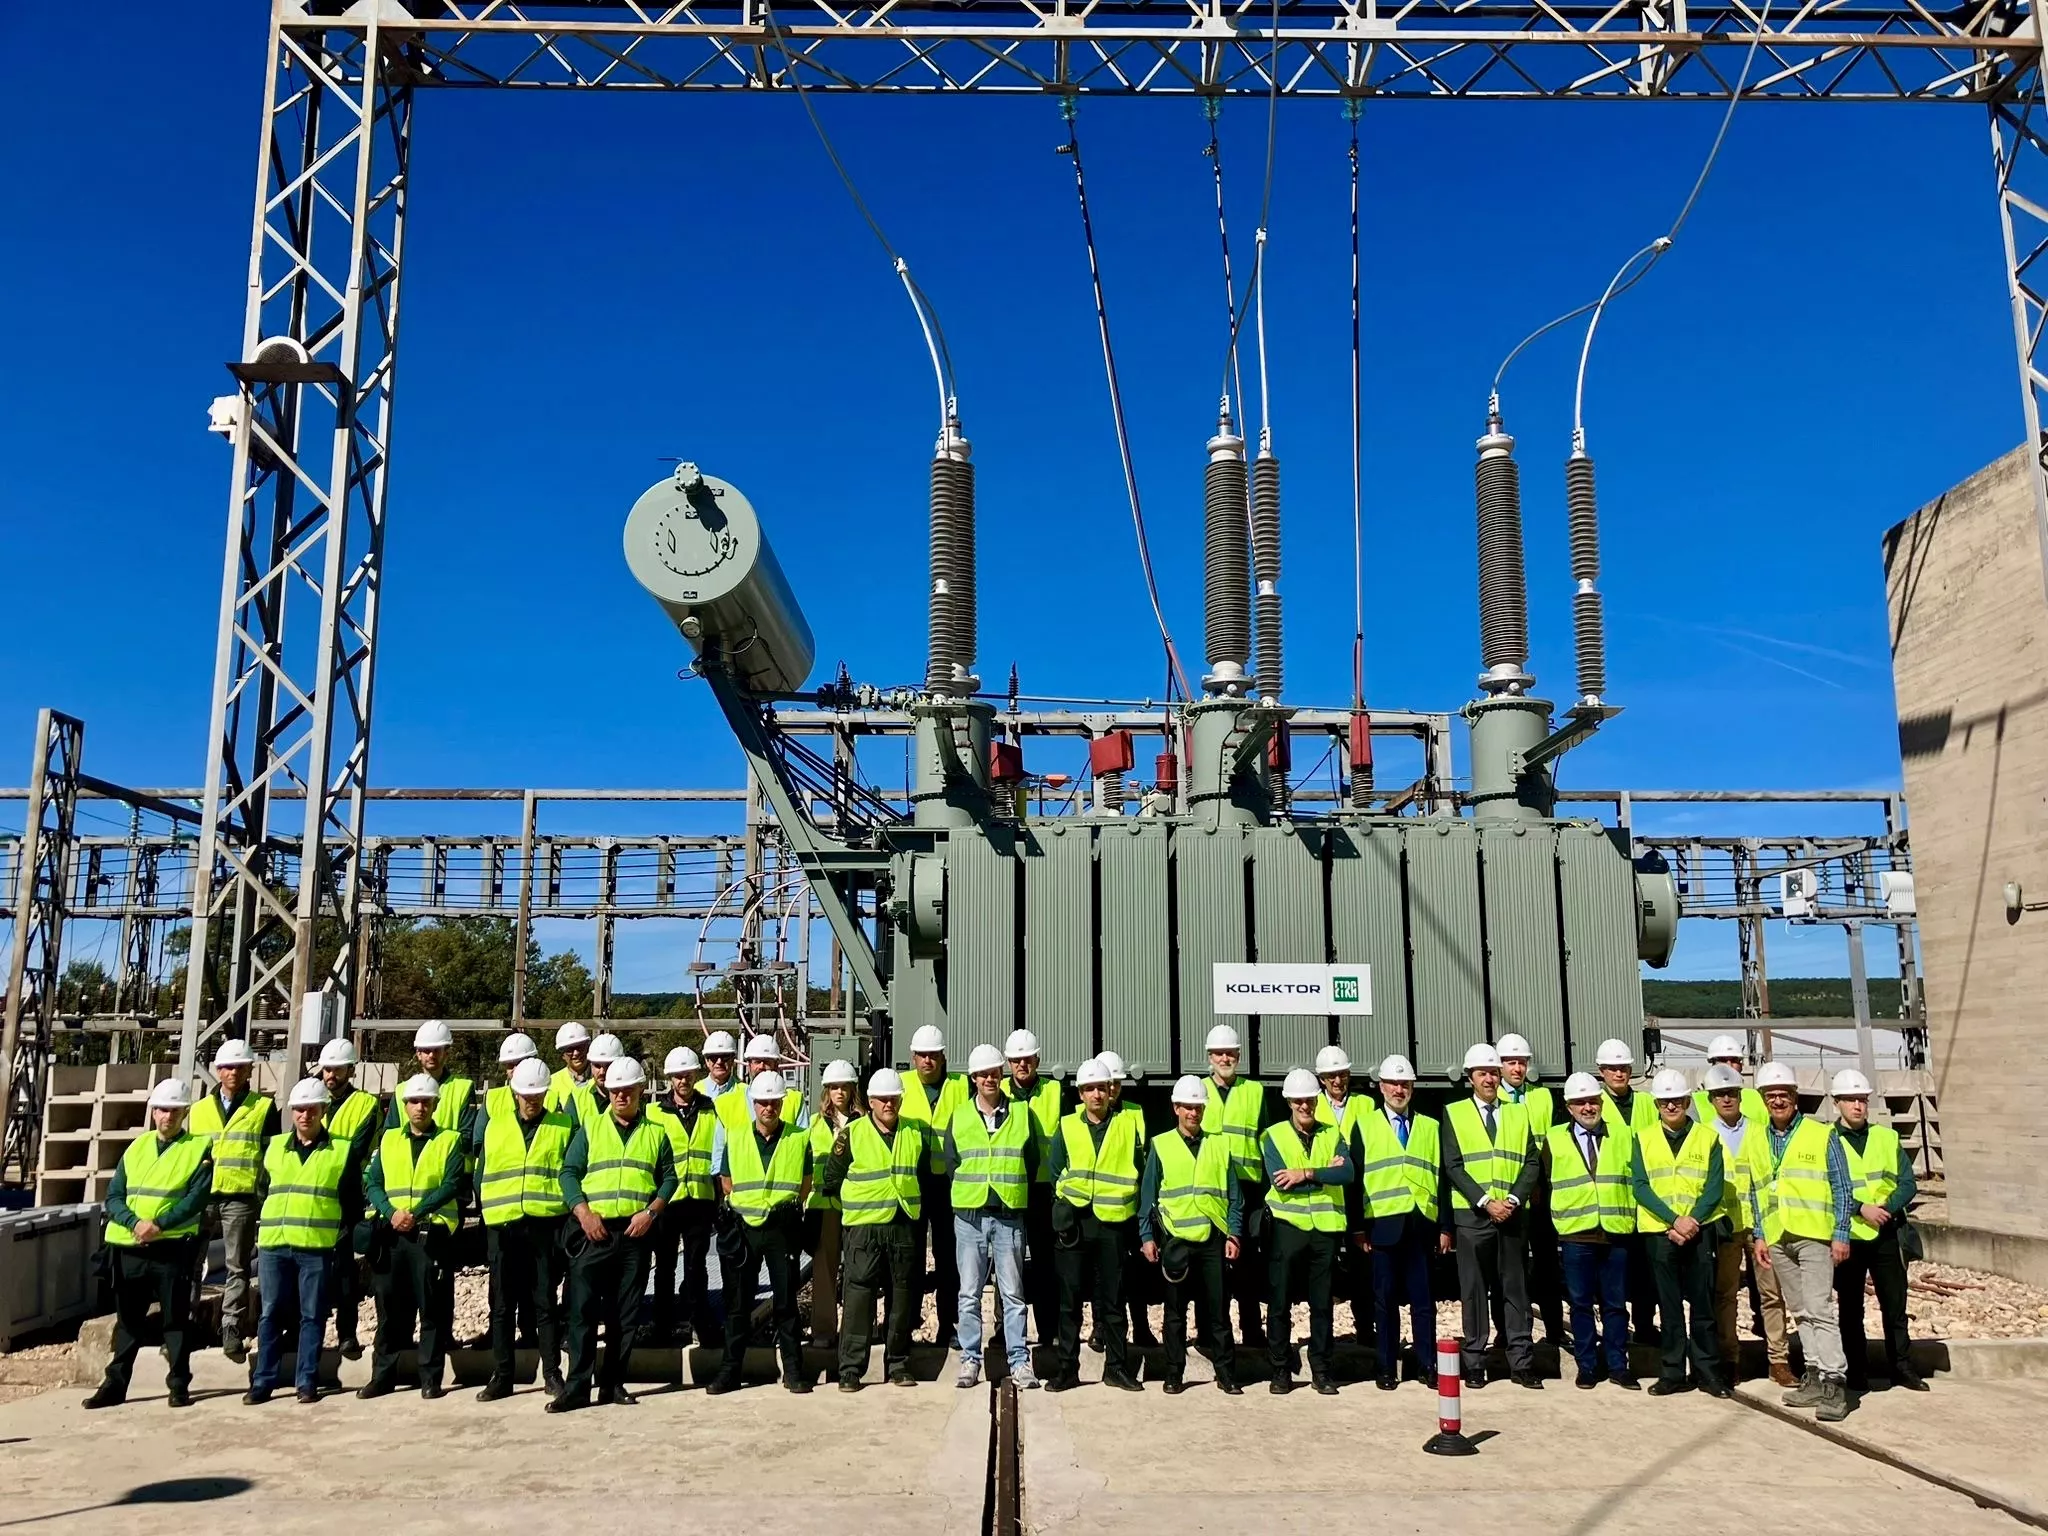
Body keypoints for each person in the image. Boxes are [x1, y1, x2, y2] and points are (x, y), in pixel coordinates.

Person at [553, 1056, 676, 1411]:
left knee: (625, 1315)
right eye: (615, 1090)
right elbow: (569, 1173)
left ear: (641, 1090)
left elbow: (669, 1178)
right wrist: (584, 1213)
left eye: (628, 1090)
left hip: (635, 1234)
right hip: (594, 1231)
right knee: (582, 1312)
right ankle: (577, 1386)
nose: (621, 1096)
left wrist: (651, 1212)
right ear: (607, 1091)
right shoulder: (591, 1127)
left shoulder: (655, 1133)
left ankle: (614, 1383)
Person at [85, 1079, 212, 1410]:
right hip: (129, 1247)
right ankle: (115, 1384)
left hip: (170, 1249)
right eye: (161, 1110)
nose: (166, 1116)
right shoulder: (136, 1147)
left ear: (184, 1112)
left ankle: (179, 1384)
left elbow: (196, 1198)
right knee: (128, 1322)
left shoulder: (199, 1148)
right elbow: (113, 1197)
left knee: (175, 1321)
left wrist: (159, 1225)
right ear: (153, 1112)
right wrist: (135, 1224)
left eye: (173, 1110)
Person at [1747, 1060, 1855, 1423]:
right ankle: (1812, 1373)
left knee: (1820, 1308)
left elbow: (1842, 1187)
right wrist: (1760, 1233)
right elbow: (1756, 1190)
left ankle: (1835, 1382)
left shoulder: (1821, 1134)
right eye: (1771, 1095)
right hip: (1778, 1237)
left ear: (1795, 1098)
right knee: (1801, 1310)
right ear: (1763, 1100)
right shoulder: (1757, 1139)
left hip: (1814, 1235)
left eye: (1784, 1095)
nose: (1777, 1101)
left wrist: (1840, 1234)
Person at [247, 1078, 366, 1405]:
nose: (304, 1115)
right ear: (292, 1112)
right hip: (274, 1244)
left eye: (311, 1109)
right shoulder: (274, 1148)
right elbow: (262, 1190)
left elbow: (352, 1199)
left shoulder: (340, 1151)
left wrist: (338, 1234)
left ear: (322, 1111)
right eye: (299, 1109)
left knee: (312, 1315)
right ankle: (263, 1382)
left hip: (315, 1246)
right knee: (270, 1313)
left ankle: (306, 1381)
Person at [360, 1073, 468, 1400]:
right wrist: (391, 1213)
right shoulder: (389, 1139)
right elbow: (373, 1182)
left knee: (432, 1307)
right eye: (414, 1101)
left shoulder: (449, 1140)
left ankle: (430, 1377)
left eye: (426, 1101)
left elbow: (451, 1184)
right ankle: (383, 1375)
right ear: (404, 1105)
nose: (420, 1107)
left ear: (435, 1104)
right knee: (389, 1308)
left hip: (428, 1235)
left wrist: (416, 1213)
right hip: (392, 1236)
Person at [707, 1069, 812, 1395]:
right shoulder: (736, 1136)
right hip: (744, 1229)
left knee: (785, 1303)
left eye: (774, 1102)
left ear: (782, 1103)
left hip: (782, 1227)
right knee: (738, 1304)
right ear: (754, 1104)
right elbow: (726, 1183)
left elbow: (806, 1185)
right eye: (763, 1102)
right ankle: (730, 1372)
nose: (769, 1108)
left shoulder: (798, 1138)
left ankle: (793, 1371)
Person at [474, 1056, 571, 1403]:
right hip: (503, 1226)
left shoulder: (562, 1126)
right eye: (526, 1095)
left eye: (538, 1095)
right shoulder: (496, 1127)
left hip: (544, 1228)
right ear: (514, 1093)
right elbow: (482, 1175)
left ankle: (551, 1374)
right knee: (502, 1305)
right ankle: (502, 1376)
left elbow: (569, 1173)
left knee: (545, 1302)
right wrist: (488, 1220)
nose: (532, 1100)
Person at [1043, 1058, 1143, 1393]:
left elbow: (1138, 1171)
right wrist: (1063, 1207)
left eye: (1101, 1088)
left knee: (1113, 1301)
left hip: (1113, 1224)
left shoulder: (1128, 1126)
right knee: (1069, 1301)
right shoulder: (1067, 1126)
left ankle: (1116, 1367)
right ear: (1081, 1093)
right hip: (1076, 1223)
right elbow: (1055, 1170)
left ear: (1111, 1090)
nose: (1096, 1094)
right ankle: (1067, 1369)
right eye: (1089, 1089)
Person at [1444, 1042, 1540, 1389]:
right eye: (1482, 1073)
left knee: (1515, 1290)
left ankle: (1521, 1362)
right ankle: (1474, 1361)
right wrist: (1486, 1201)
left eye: (1493, 1072)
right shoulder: (1454, 1113)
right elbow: (1452, 1165)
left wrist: (1512, 1199)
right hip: (1473, 1217)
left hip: (1512, 1216)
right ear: (1470, 1077)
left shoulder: (1518, 1113)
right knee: (1473, 1291)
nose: (1489, 1079)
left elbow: (1531, 1161)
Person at [825, 1068, 927, 1391]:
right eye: (882, 1099)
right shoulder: (852, 1134)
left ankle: (898, 1364)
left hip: (902, 1223)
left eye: (894, 1098)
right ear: (870, 1102)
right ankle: (851, 1369)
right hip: (864, 1229)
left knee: (902, 1296)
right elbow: (832, 1178)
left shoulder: (915, 1132)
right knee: (858, 1297)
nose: (889, 1103)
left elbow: (922, 1174)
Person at [1139, 1075, 1241, 1395]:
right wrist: (1147, 1236)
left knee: (1219, 1312)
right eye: (1188, 1107)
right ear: (1176, 1108)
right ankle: (1174, 1373)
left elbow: (1235, 1197)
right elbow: (1148, 1196)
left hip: (1213, 1239)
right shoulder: (1162, 1144)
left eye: (1198, 1107)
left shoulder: (1219, 1145)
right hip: (1176, 1241)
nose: (1194, 1113)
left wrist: (1233, 1235)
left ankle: (1226, 1374)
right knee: (1175, 1314)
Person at [946, 1044, 1038, 1389]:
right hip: (970, 1217)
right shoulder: (960, 1116)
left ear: (1002, 1076)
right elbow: (952, 1162)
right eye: (983, 1074)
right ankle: (970, 1360)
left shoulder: (1021, 1114)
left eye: (995, 1073)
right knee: (969, 1293)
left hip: (1008, 1216)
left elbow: (1029, 1160)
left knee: (1013, 1294)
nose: (989, 1079)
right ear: (973, 1078)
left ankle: (1019, 1361)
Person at [1634, 1068, 1729, 1397]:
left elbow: (1714, 1187)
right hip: (1661, 1234)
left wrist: (1692, 1222)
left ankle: (1707, 1372)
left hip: (1699, 1232)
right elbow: (1641, 1187)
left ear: (1688, 1101)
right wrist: (1674, 1221)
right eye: (1664, 1102)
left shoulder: (1708, 1137)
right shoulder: (1643, 1138)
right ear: (1657, 1104)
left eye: (1677, 1101)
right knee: (1669, 1306)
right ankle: (1672, 1372)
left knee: (1703, 1306)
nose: (1671, 1107)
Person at [1830, 1068, 1926, 1394]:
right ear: (1837, 1103)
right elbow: (1826, 1188)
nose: (1858, 1105)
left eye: (1862, 1099)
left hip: (1886, 1234)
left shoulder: (1886, 1138)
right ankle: (1856, 1372)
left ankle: (1901, 1367)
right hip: (1849, 1236)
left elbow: (1907, 1183)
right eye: (1851, 1100)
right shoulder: (1827, 1142)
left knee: (1894, 1306)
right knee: (1850, 1309)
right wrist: (1861, 1209)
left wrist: (1885, 1208)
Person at [1357, 1054, 1446, 1390]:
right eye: (1393, 1083)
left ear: (1413, 1088)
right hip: (1382, 1226)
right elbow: (1356, 1180)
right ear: (1381, 1086)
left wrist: (1445, 1227)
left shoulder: (1430, 1126)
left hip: (1421, 1225)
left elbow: (1441, 1179)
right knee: (1385, 1302)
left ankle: (1427, 1365)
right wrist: (1358, 1227)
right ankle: (1385, 1367)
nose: (1399, 1089)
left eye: (1405, 1083)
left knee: (1424, 1303)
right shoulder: (1365, 1125)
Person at [187, 1037, 277, 1365]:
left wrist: (262, 1195)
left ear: (249, 1070)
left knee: (236, 1266)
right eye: (227, 1067)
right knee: (192, 1264)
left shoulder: (263, 1107)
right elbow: (190, 1156)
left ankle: (231, 1328)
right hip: (204, 1196)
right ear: (217, 1070)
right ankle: (187, 1324)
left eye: (240, 1067)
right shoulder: (197, 1111)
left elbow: (269, 1155)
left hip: (241, 1197)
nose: (233, 1073)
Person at [1545, 1072, 1637, 1390]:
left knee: (1615, 1304)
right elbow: (1545, 1184)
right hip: (1576, 1234)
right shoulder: (1554, 1139)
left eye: (1593, 1101)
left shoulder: (1622, 1136)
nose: (1588, 1107)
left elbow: (1636, 1179)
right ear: (1568, 1107)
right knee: (1580, 1303)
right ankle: (1587, 1366)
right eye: (1580, 1102)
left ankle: (1617, 1365)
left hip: (1615, 1232)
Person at [1262, 1068, 1352, 1396]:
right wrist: (1325, 1173)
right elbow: (1280, 1182)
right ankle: (1280, 1370)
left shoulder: (1332, 1133)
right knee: (1280, 1302)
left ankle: (1322, 1371)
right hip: (1288, 1228)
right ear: (1288, 1102)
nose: (1305, 1106)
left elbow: (1348, 1174)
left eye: (1310, 1100)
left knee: (1322, 1305)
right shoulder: (1272, 1136)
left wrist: (1305, 1173)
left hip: (1325, 1230)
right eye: (1298, 1101)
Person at [1701, 1062, 1791, 1385]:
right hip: (1725, 1227)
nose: (1726, 1099)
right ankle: (1729, 1358)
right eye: (1720, 1094)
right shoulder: (1704, 1134)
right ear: (1711, 1099)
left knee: (1771, 1294)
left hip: (1761, 1228)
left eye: (1732, 1093)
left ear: (1741, 1096)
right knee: (1724, 1295)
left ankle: (1778, 1360)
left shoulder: (1759, 1130)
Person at [898, 1025, 969, 1349]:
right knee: (909, 1258)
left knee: (948, 1259)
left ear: (943, 1057)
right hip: (912, 1181)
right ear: (913, 1058)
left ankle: (949, 1326)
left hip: (948, 1184)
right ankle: (908, 1324)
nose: (927, 1060)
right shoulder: (901, 1086)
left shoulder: (960, 1086)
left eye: (933, 1055)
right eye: (922, 1055)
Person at [1200, 1024, 1269, 1349]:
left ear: (1239, 1056)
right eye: (1219, 1053)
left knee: (1248, 1265)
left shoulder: (1253, 1091)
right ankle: (1208, 1333)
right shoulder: (1197, 1090)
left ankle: (1252, 1331)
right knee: (1211, 1262)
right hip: (1213, 1189)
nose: (1225, 1058)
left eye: (1231, 1053)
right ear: (1209, 1057)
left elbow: (1267, 1139)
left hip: (1249, 1188)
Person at [1498, 1033, 1567, 1349]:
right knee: (1507, 1269)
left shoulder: (1542, 1097)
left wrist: (1539, 1185)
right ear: (1500, 1066)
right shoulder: (1491, 1097)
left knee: (1546, 1264)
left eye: (1521, 1062)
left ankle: (1554, 1329)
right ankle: (1507, 1330)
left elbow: (1546, 1146)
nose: (1517, 1068)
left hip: (1539, 1192)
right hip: (1506, 1194)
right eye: (1511, 1062)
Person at [646, 1045, 718, 1348]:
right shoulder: (655, 1112)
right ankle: (662, 1325)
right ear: (670, 1079)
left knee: (696, 1265)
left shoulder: (710, 1108)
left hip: (700, 1200)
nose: (683, 1081)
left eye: (687, 1075)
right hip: (666, 1202)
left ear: (694, 1075)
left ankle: (698, 1321)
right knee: (664, 1266)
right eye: (677, 1076)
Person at [315, 1038, 380, 1361]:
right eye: (327, 1069)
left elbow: (356, 1151)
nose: (330, 1075)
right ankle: (302, 1333)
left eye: (337, 1070)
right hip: (312, 1198)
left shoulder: (365, 1105)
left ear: (350, 1071)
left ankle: (346, 1333)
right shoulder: (309, 1098)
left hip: (346, 1195)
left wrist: (320, 1159)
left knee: (343, 1268)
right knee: (309, 1269)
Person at [1595, 1037, 1660, 1344]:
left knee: (1646, 1275)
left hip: (1647, 1201)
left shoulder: (1648, 1103)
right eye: (1612, 1069)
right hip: (1613, 1204)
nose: (1619, 1074)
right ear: (1601, 1071)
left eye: (1623, 1068)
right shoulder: (1595, 1104)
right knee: (1617, 1278)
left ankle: (1646, 1328)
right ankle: (1617, 1335)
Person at [1002, 1029, 1064, 1348]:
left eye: (1027, 1059)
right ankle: (1006, 1332)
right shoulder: (997, 1091)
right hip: (1010, 1186)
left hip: (1042, 1190)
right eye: (1016, 1060)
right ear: (1009, 1063)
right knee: (1006, 1261)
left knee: (1044, 1263)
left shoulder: (1054, 1092)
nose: (1021, 1065)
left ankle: (1049, 1331)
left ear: (1037, 1059)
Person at [1313, 1045, 1374, 1351]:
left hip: (1357, 1191)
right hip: (1325, 1193)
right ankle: (1322, 1333)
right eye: (1331, 1076)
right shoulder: (1313, 1104)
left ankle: (1365, 1327)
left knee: (1362, 1263)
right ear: (1321, 1079)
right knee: (1323, 1264)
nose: (1337, 1081)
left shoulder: (1365, 1104)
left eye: (1342, 1074)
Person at [1095, 1049, 1157, 1348]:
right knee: (1102, 1274)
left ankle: (1141, 1327)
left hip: (1132, 1206)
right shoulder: (1090, 1117)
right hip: (1103, 1208)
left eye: (1117, 1083)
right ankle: (1100, 1328)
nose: (1113, 1089)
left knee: (1135, 1274)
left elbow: (1144, 1161)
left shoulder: (1134, 1112)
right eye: (1109, 1083)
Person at [807, 1059, 861, 1352]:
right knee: (824, 1272)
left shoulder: (864, 1124)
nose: (839, 1092)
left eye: (844, 1086)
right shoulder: (814, 1125)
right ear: (827, 1090)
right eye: (834, 1087)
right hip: (823, 1206)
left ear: (853, 1089)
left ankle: (854, 1332)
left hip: (855, 1206)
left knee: (857, 1272)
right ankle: (824, 1331)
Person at [382, 1020, 477, 1140]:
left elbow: (467, 1137)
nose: (431, 1055)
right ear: (418, 1054)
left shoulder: (463, 1089)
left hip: (449, 1157)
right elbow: (390, 1136)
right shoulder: (401, 1090)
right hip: (408, 1158)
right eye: (427, 1050)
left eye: (436, 1050)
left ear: (446, 1053)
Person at [1693, 1035, 1768, 1126]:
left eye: (1734, 1060)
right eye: (1723, 1060)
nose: (1729, 1065)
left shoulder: (1756, 1097)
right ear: (1712, 1064)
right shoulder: (1695, 1101)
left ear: (1741, 1065)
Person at [487, 1033, 540, 1120]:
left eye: (520, 1063)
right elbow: (479, 1133)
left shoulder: (551, 1098)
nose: (515, 1069)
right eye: (510, 1065)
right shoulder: (492, 1099)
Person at [548, 1022, 595, 1114]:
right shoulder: (552, 1083)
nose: (576, 1053)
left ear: (588, 1047)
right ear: (562, 1054)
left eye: (580, 1047)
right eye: (569, 1050)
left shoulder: (602, 1078)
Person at [697, 1030, 739, 1102]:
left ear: (733, 1060)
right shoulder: (693, 1092)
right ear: (707, 1061)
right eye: (714, 1057)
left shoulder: (746, 1093)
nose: (719, 1062)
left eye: (725, 1056)